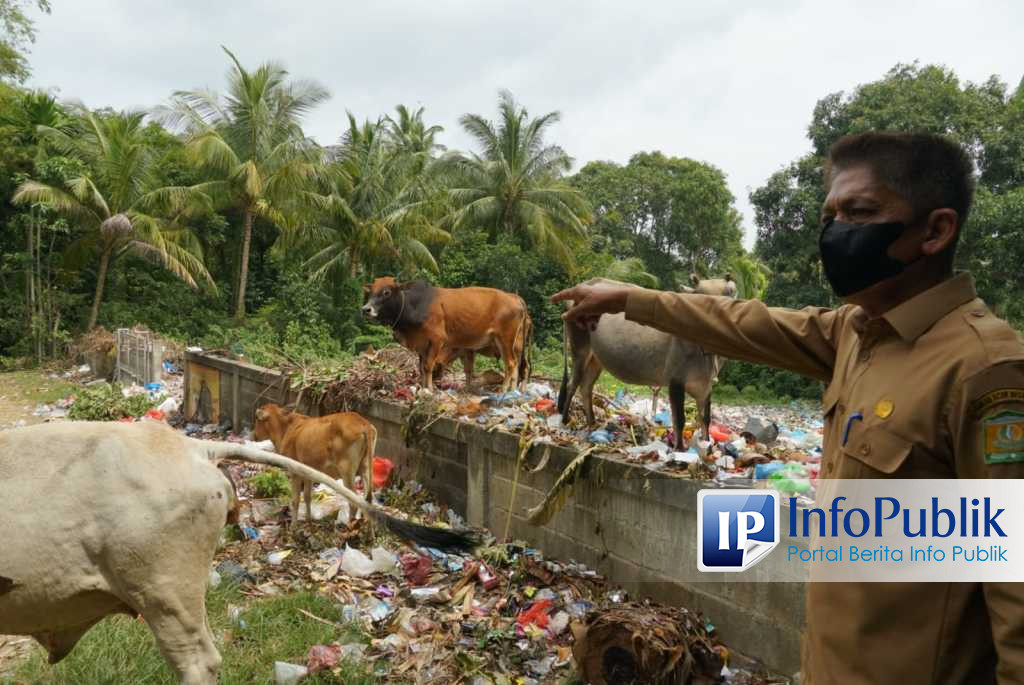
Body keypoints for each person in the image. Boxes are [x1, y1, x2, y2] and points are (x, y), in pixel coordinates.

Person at [552, 132, 1024, 684]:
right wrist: (631, 299)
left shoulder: (985, 371)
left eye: (860, 212)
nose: (835, 231)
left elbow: (1015, 597)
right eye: (831, 214)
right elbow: (744, 323)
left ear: (936, 230)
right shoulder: (854, 333)